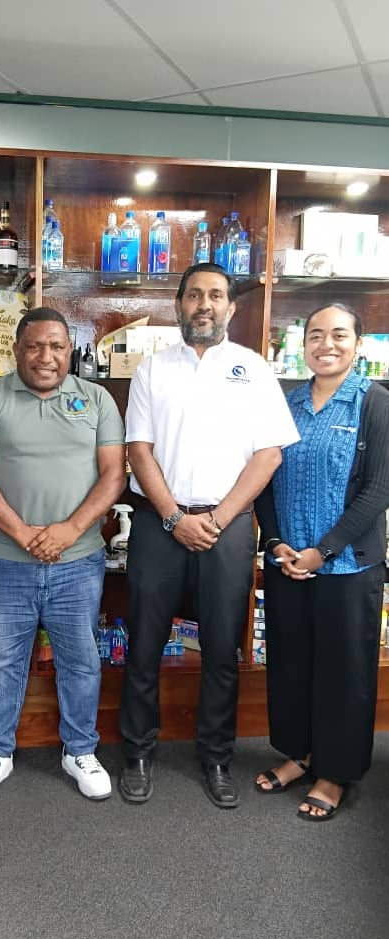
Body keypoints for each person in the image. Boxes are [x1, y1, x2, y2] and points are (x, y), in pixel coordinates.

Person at [119, 264, 299, 808]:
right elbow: (138, 450)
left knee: (222, 648)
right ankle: (137, 752)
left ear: (231, 308)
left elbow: (269, 455)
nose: (205, 304)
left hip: (229, 525)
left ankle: (217, 756)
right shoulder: (152, 369)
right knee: (144, 645)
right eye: (194, 295)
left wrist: (217, 520)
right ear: (178, 304)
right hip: (159, 523)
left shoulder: (254, 369)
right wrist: (175, 517)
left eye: (216, 295)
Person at [0, 307, 126, 803]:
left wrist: (69, 530)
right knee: (1, 661)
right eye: (34, 346)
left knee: (81, 659)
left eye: (56, 346)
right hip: (7, 559)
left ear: (70, 351)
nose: (45, 356)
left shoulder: (96, 398)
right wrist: (24, 534)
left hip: (80, 561)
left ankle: (80, 750)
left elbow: (113, 475)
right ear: (16, 350)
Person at [254, 303, 389, 821]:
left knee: (344, 671)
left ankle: (335, 772)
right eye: (315, 335)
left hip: (347, 567)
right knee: (291, 664)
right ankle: (301, 754)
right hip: (289, 563)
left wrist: (324, 550)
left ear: (358, 344)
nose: (325, 344)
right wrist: (276, 542)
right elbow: (264, 477)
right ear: (303, 343)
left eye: (338, 335)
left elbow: (379, 489)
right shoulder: (284, 404)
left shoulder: (374, 403)